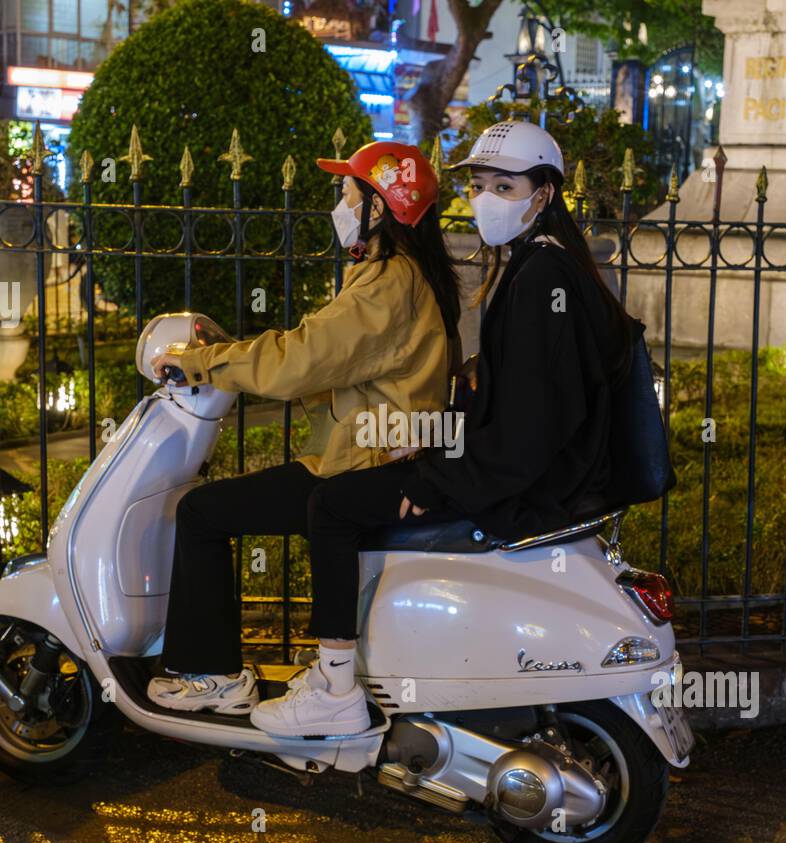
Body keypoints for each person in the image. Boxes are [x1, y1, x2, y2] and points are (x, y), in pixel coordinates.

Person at [302, 121, 634, 704]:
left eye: (504, 187)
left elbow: (534, 425)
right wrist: (438, 439)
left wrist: (439, 479)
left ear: (544, 194)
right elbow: (520, 402)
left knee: (331, 504)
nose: (486, 200)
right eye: (479, 186)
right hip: (531, 469)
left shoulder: (542, 277)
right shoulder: (538, 263)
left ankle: (333, 690)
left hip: (534, 483)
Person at [146, 141, 460, 736]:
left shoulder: (388, 283)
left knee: (201, 511)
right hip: (360, 453)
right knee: (210, 511)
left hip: (360, 463)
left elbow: (304, 358)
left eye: (348, 193)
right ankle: (237, 672)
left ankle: (213, 674)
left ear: (379, 207)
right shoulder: (403, 275)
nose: (339, 204)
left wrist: (203, 362)